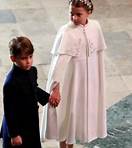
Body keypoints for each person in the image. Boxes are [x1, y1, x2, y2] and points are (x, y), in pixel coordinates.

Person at [41, 0, 107, 148]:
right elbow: (59, 63)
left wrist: (98, 82)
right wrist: (55, 87)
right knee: (67, 114)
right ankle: (63, 146)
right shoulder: (67, 32)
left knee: (79, 115)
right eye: (72, 14)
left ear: (89, 13)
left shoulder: (95, 27)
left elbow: (98, 55)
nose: (74, 18)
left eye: (79, 14)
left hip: (88, 81)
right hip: (70, 81)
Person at [0, 36, 60, 148]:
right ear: (13, 59)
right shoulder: (10, 82)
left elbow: (33, 88)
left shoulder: (32, 71)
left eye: (30, 57)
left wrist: (48, 97)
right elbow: (9, 110)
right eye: (23, 58)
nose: (28, 61)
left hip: (30, 121)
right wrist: (14, 135)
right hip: (17, 126)